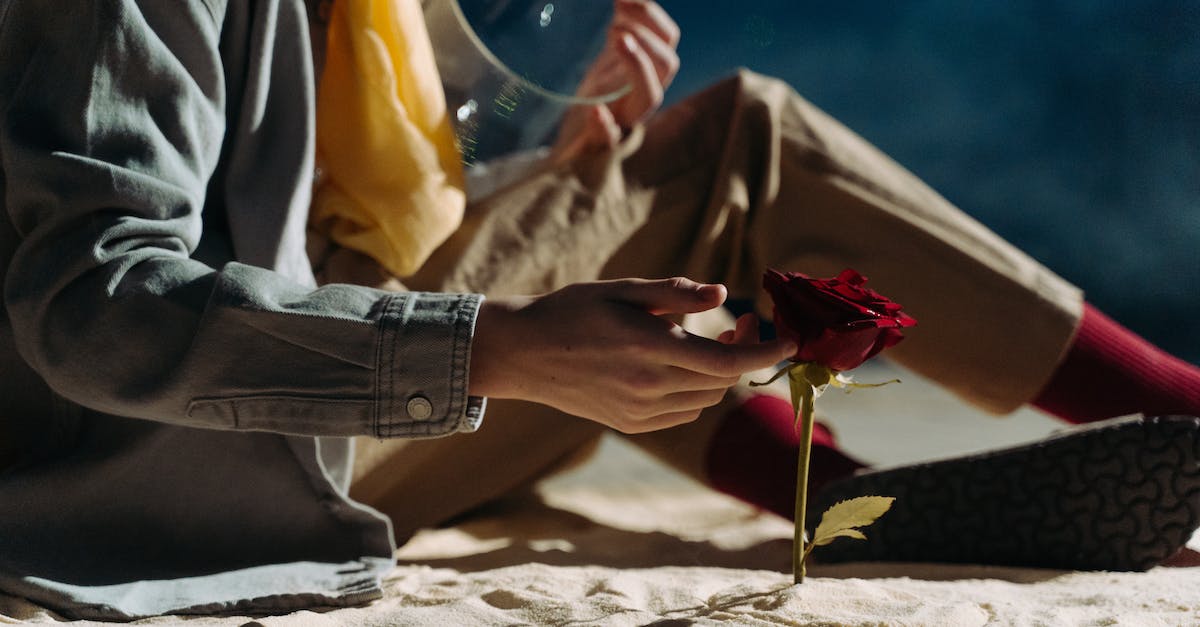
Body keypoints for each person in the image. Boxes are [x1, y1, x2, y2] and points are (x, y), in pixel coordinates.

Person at [0, 0, 1196, 620]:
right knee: (746, 146)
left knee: (680, 186)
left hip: (286, 386)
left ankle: (825, 493)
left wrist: (552, 102)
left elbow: (332, 201)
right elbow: (91, 304)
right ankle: (1164, 416)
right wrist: (494, 349)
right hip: (173, 449)